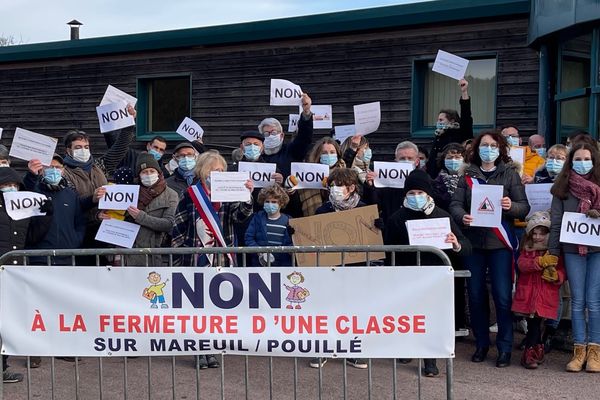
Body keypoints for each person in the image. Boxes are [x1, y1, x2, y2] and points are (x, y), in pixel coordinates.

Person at [449, 130, 530, 368]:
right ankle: (482, 343)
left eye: (493, 145)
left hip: (500, 245)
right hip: (474, 243)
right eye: (484, 145)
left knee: (503, 297)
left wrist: (510, 205)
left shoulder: (510, 174)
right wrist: (462, 216)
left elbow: (524, 207)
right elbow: (454, 204)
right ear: (476, 148)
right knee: (475, 295)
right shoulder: (467, 175)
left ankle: (504, 347)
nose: (488, 149)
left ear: (500, 149)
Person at [385, 169, 471, 376]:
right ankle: (406, 348)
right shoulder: (397, 219)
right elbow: (389, 250)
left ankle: (430, 360)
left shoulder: (443, 216)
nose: (416, 197)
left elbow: (466, 247)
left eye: (420, 193)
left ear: (429, 194)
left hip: (434, 279)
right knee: (407, 316)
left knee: (430, 319)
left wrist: (456, 243)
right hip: (407, 277)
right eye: (411, 193)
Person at [548, 142, 600, 372]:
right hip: (572, 250)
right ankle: (578, 351)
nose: (582, 163)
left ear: (594, 160)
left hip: (598, 251)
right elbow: (556, 222)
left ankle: (595, 351)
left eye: (586, 158)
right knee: (578, 301)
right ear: (571, 162)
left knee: (594, 301)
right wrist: (552, 251)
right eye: (577, 159)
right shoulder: (562, 187)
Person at [0, 167, 53, 376]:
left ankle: (3, 368)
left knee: (8, 322)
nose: (10, 189)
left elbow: (32, 237)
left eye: (14, 185)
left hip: (14, 272)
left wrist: (47, 213)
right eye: (5, 185)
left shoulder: (23, 211)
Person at [171, 150, 254, 267]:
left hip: (223, 255)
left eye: (221, 170)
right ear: (202, 171)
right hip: (194, 256)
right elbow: (179, 227)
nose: (219, 173)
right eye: (215, 170)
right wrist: (176, 260)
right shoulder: (190, 194)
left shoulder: (229, 193)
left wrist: (247, 197)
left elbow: (240, 217)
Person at [512, 211, 565, 369]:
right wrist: (539, 262)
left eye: (541, 234)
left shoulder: (554, 253)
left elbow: (563, 271)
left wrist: (557, 276)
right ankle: (531, 352)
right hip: (528, 294)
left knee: (537, 323)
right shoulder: (527, 250)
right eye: (534, 234)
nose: (537, 237)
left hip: (545, 295)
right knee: (533, 323)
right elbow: (522, 265)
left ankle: (536, 348)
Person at [24, 155, 87, 266]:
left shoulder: (71, 195)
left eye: (58, 167)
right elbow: (27, 188)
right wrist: (31, 175)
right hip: (38, 257)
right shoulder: (34, 191)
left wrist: (75, 241)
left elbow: (79, 222)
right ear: (42, 169)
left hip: (66, 257)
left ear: (63, 170)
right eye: (50, 167)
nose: (54, 170)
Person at [118, 153, 178, 266]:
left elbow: (169, 224)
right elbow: (120, 221)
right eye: (144, 172)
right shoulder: (129, 193)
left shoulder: (171, 195)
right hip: (130, 255)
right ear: (139, 175)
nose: (148, 175)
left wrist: (141, 217)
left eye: (152, 171)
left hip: (157, 255)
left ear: (158, 173)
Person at [364, 141, 420, 228]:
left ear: (417, 162)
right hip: (391, 228)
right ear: (396, 161)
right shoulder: (385, 180)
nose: (406, 161)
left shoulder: (424, 181)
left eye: (410, 158)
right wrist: (370, 186)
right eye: (402, 158)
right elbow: (374, 204)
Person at [287, 137, 345, 217]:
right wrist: (290, 187)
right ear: (318, 155)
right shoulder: (306, 172)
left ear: (337, 154)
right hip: (312, 220)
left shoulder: (345, 173)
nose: (329, 155)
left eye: (332, 152)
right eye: (324, 153)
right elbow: (294, 204)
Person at [426, 79, 472, 177]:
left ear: (451, 121)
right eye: (438, 120)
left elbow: (466, 116)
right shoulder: (438, 137)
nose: (438, 123)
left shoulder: (460, 132)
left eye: (441, 120)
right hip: (437, 179)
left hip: (456, 177)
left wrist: (464, 92)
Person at [260, 93, 314, 178]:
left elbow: (304, 138)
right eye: (266, 134)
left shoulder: (291, 151)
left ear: (281, 135)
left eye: (273, 132)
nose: (270, 136)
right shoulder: (259, 156)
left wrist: (306, 112)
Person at [245, 184, 293, 267]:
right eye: (267, 201)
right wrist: (260, 252)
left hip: (283, 266)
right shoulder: (257, 218)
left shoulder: (289, 221)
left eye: (274, 202)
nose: (270, 204)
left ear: (281, 203)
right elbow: (248, 238)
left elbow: (294, 242)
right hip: (260, 265)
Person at [432, 143, 465, 211]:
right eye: (449, 158)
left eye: (457, 157)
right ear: (443, 160)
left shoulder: (469, 180)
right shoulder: (437, 183)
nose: (453, 160)